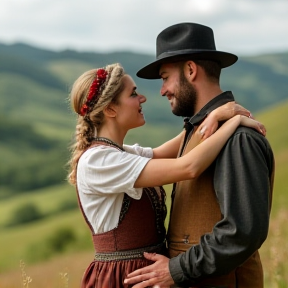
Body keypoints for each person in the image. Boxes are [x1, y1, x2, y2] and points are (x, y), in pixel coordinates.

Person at [67, 63, 265, 288]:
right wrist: (233, 122)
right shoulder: (99, 162)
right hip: (124, 278)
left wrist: (215, 115)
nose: (143, 98)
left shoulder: (122, 153)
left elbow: (176, 146)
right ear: (110, 109)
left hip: (150, 273)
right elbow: (188, 167)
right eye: (133, 94)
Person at [124, 23, 275, 288]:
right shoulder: (201, 132)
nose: (162, 90)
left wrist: (176, 269)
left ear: (191, 70)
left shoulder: (238, 140)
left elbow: (243, 233)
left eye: (165, 77)